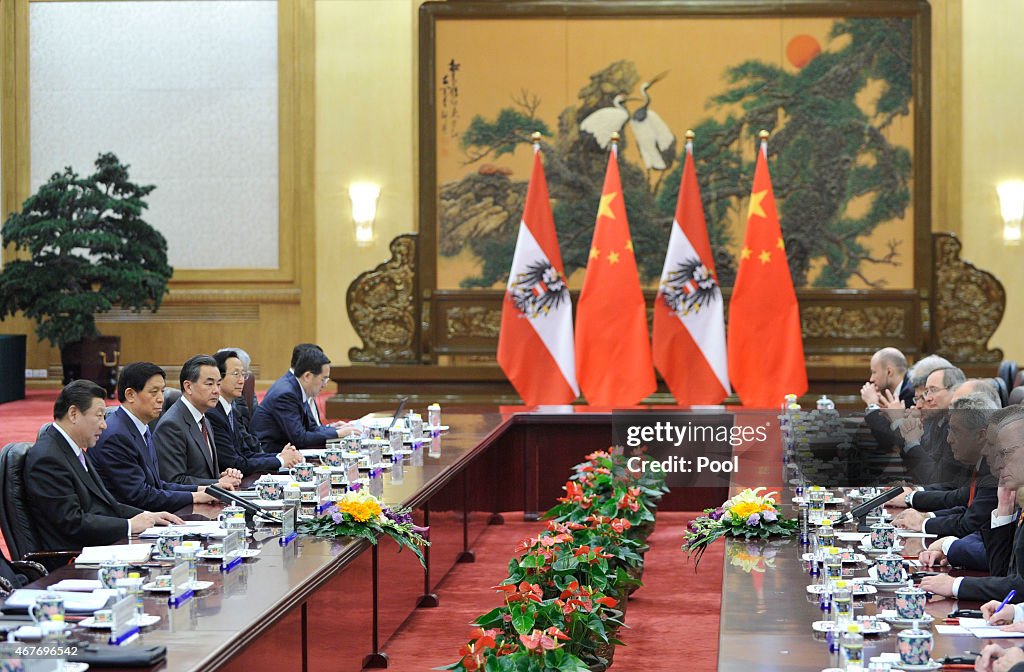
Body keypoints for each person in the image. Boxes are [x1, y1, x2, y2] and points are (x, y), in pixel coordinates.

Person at [23, 380, 182, 569]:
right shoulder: (48, 458)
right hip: (72, 561)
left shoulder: (73, 449)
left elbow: (107, 504)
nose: (104, 425)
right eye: (99, 416)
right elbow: (71, 522)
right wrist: (129, 526)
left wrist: (148, 515)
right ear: (73, 414)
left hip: (96, 548)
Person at [920, 406, 1024, 601]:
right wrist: (1003, 511)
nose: (994, 459)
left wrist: (956, 585)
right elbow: (1002, 575)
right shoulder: (1014, 498)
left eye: (1005, 452)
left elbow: (1020, 587)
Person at [90, 362, 223, 511]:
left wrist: (202, 489)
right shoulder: (116, 436)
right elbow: (139, 495)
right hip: (126, 523)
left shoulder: (142, 428)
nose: (161, 398)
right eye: (154, 392)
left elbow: (158, 485)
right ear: (130, 395)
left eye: (162, 391)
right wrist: (194, 497)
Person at [208, 350, 302, 475]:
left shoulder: (231, 410)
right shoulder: (213, 414)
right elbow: (234, 464)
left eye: (243, 375)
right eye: (236, 374)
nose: (242, 381)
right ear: (218, 377)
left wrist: (280, 456)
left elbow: (246, 454)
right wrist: (280, 460)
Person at [154, 355, 243, 487]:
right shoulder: (172, 425)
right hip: (186, 506)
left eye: (218, 384)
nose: (216, 390)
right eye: (209, 384)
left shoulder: (204, 419)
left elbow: (202, 473)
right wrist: (218, 482)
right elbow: (174, 481)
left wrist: (223, 476)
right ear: (188, 387)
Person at [252, 346, 359, 453]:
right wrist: (339, 434)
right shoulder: (286, 394)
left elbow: (312, 428)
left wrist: (337, 430)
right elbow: (300, 438)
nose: (325, 385)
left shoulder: (297, 387)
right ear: (307, 376)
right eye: (323, 379)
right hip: (270, 454)